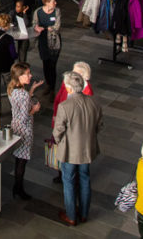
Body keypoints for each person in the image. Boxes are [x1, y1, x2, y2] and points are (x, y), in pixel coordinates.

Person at [52, 71, 103, 226]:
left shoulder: (65, 106)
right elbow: (99, 126)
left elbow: (58, 130)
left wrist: (58, 141)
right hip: (87, 148)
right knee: (85, 180)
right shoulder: (94, 102)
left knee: (68, 182)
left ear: (69, 88)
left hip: (69, 150)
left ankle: (71, 215)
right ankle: (84, 214)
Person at [8, 61, 43, 200]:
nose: (30, 76)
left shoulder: (13, 90)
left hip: (15, 127)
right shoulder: (23, 95)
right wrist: (34, 110)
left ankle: (17, 187)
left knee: (18, 158)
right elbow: (24, 117)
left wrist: (32, 90)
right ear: (20, 76)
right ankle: (18, 188)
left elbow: (20, 106)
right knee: (22, 161)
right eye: (27, 74)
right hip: (24, 130)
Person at [34, 0, 62, 92]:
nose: (55, 3)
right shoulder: (38, 12)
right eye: (53, 1)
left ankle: (52, 87)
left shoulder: (57, 11)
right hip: (43, 42)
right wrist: (36, 27)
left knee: (52, 65)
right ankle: (48, 84)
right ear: (47, 2)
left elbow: (57, 27)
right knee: (45, 64)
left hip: (54, 42)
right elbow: (34, 24)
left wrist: (47, 28)